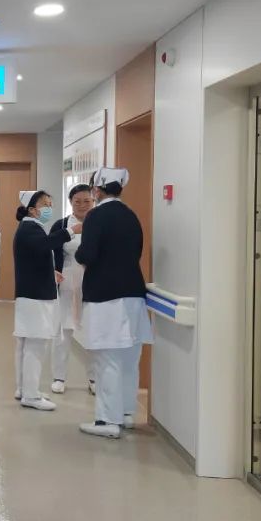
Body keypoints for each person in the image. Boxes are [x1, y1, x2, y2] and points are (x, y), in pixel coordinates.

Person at [75, 167, 153, 439]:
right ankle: (126, 413)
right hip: (134, 294)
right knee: (130, 358)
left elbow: (87, 254)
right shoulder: (131, 216)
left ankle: (107, 420)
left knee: (107, 359)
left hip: (106, 297)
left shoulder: (96, 216)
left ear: (97, 190)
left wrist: (80, 255)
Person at [13, 190, 80, 411]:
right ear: (32, 209)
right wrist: (71, 231)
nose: (49, 208)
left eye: (51, 204)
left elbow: (35, 258)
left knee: (27, 345)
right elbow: (46, 244)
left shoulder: (31, 228)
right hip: (35, 297)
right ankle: (31, 395)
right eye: (45, 204)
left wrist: (51, 274)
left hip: (32, 294)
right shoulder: (29, 228)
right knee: (35, 345)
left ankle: (25, 389)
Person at [49, 184, 97, 395]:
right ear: (70, 202)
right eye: (77, 201)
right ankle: (59, 377)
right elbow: (49, 250)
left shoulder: (100, 224)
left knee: (92, 331)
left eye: (87, 201)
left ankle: (94, 378)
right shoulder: (61, 225)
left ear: (93, 201)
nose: (82, 205)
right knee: (63, 332)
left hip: (93, 283)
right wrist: (53, 272)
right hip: (66, 282)